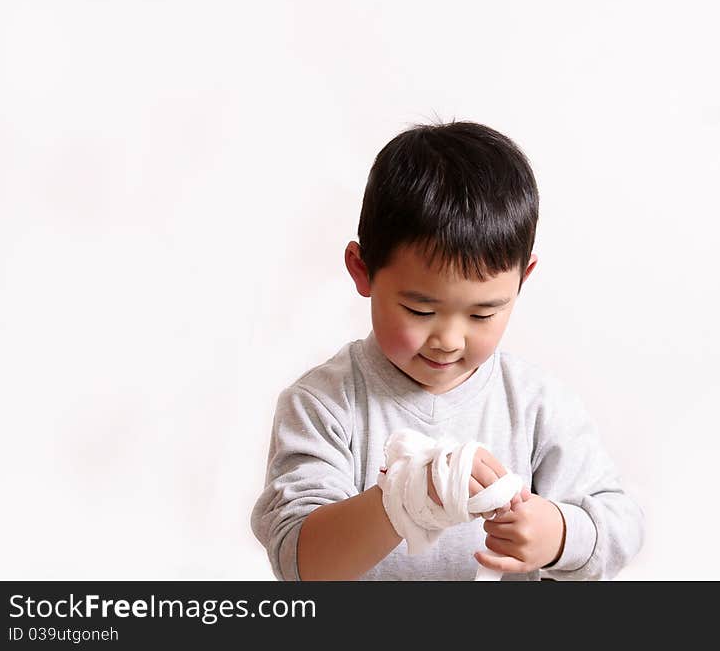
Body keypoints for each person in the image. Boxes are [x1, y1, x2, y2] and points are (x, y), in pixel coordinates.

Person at [250, 120, 644, 580]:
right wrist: (406, 499)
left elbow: (621, 522)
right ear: (362, 271)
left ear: (522, 280)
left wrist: (558, 534)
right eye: (420, 310)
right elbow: (303, 564)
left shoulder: (538, 405)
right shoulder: (324, 405)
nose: (449, 340)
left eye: (481, 315)